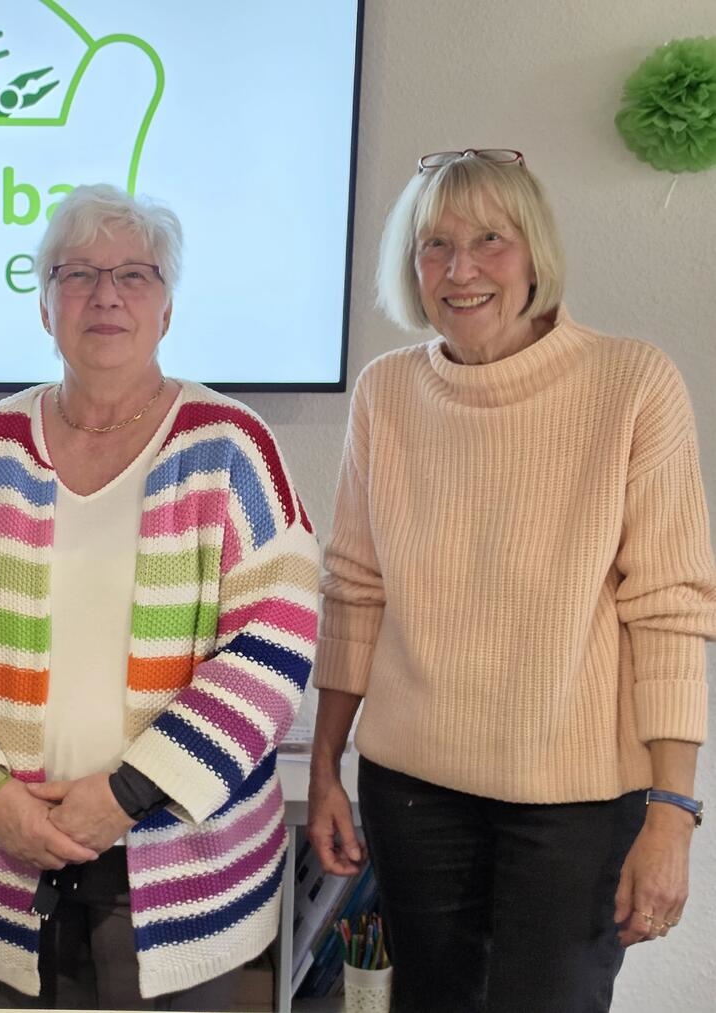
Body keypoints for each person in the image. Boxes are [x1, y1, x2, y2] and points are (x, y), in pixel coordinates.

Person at [0, 184, 319, 1010]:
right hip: (8, 857)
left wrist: (123, 794)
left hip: (184, 870)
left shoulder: (232, 448)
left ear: (167, 307)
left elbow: (272, 649)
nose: (106, 295)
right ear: (45, 306)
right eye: (76, 273)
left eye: (134, 274)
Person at [306, 148, 716, 1013]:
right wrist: (324, 769)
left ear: (535, 252)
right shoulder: (387, 392)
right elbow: (355, 585)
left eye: (490, 238)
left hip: (574, 802)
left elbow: (672, 605)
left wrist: (673, 812)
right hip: (411, 787)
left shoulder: (633, 382)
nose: (461, 270)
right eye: (434, 245)